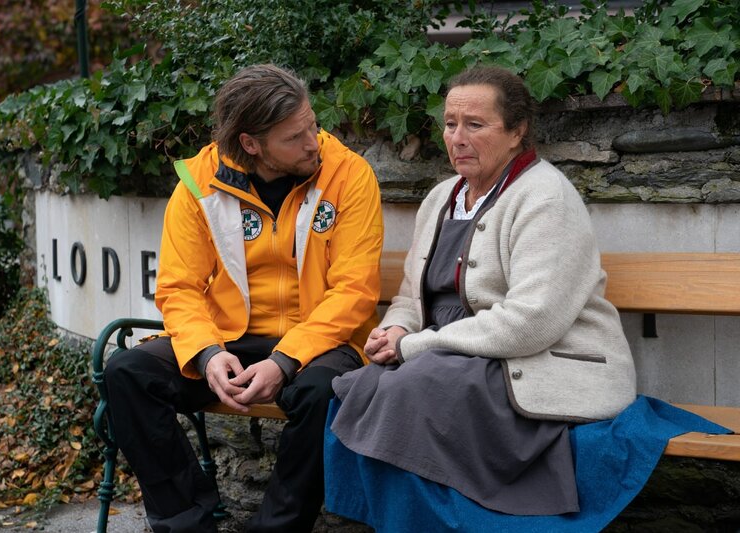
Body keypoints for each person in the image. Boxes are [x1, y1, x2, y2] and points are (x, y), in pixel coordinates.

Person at [325, 66, 637, 527]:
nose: (457, 137)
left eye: (475, 124)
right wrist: (395, 327)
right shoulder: (441, 197)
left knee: (412, 389)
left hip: (537, 359)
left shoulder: (546, 199)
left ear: (517, 131)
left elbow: (531, 323)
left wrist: (414, 345)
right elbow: (413, 295)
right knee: (357, 387)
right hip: (454, 355)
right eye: (450, 124)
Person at [104, 64, 383, 533]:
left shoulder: (349, 175)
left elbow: (354, 291)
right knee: (127, 372)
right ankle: (187, 523)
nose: (313, 142)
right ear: (252, 144)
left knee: (321, 392)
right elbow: (179, 287)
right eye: (294, 137)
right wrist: (208, 353)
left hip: (319, 344)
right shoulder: (198, 183)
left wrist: (285, 360)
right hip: (230, 339)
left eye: (312, 125)